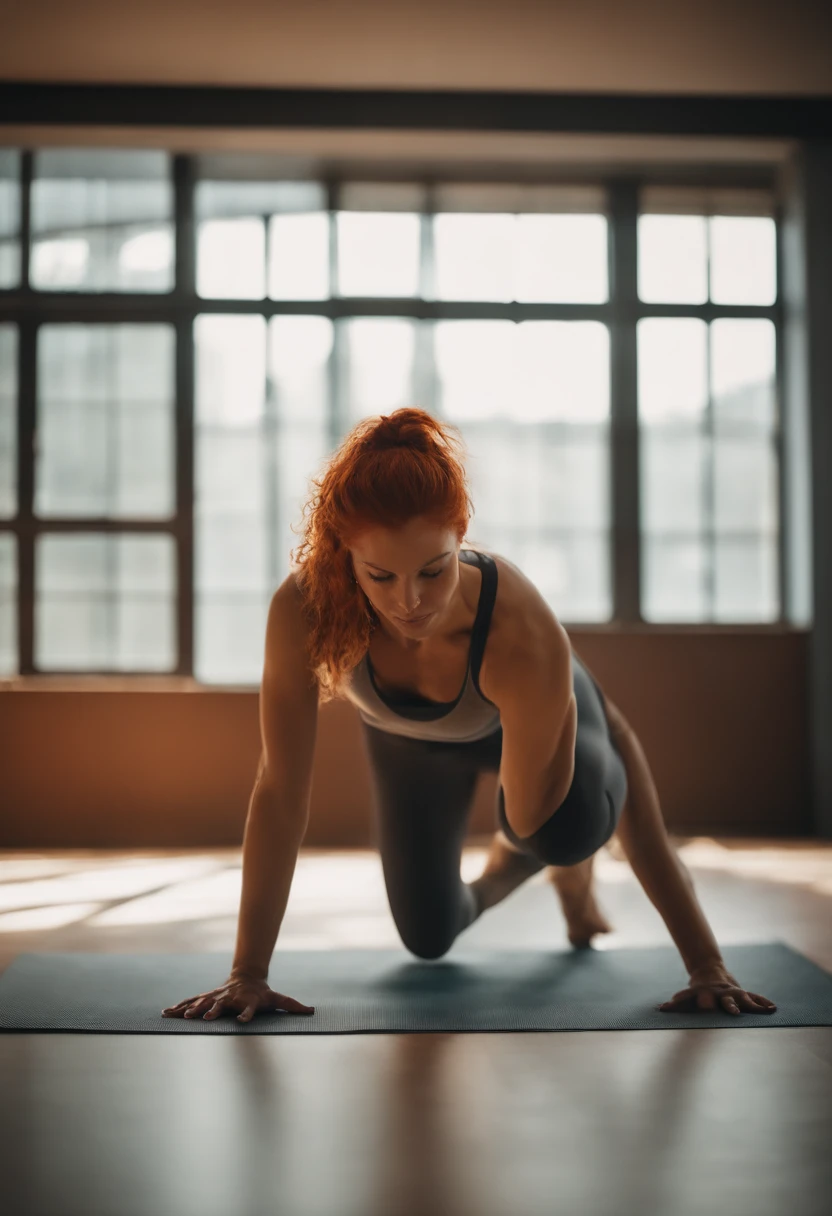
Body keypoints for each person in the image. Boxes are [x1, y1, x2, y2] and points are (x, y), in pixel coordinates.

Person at [163, 408, 776, 1024]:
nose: (411, 602)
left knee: (557, 828)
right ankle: (518, 868)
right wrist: (248, 973)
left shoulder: (517, 624)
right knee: (428, 938)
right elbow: (280, 790)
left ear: (461, 534)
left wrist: (706, 965)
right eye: (381, 576)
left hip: (538, 727)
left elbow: (635, 787)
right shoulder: (304, 609)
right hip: (411, 747)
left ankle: (567, 865)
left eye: (434, 570)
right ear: (344, 557)